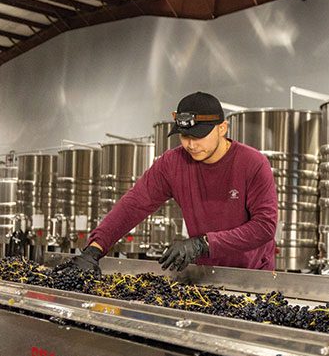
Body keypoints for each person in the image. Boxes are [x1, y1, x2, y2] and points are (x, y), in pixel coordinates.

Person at [61, 92, 278, 274]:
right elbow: (134, 204)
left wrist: (204, 244)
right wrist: (95, 248)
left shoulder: (252, 163)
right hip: (205, 275)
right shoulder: (172, 163)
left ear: (222, 128)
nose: (191, 145)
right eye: (184, 136)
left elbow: (265, 226)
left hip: (252, 276)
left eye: (199, 136)